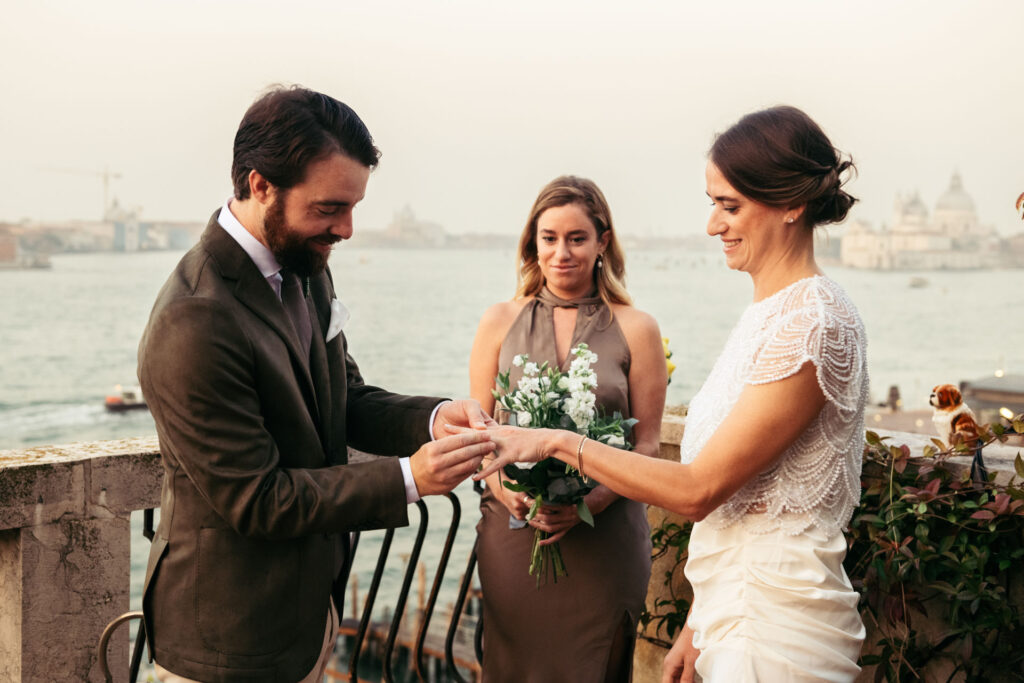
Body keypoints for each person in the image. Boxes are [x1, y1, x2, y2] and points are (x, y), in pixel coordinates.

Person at [470, 107, 868, 682]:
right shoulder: (770, 314)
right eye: (713, 204)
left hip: (775, 621)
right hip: (733, 611)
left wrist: (556, 441)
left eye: (729, 205)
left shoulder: (814, 321)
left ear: (790, 204)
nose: (712, 225)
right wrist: (698, 624)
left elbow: (700, 489)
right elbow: (746, 500)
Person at [137, 85, 496, 683]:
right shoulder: (194, 318)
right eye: (330, 207)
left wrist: (436, 418)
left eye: (353, 207)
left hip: (307, 619)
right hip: (228, 642)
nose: (347, 229)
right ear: (260, 186)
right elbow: (257, 500)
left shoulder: (302, 263)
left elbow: (344, 398)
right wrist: (413, 478)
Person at [468, 175, 667, 682]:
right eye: (549, 238)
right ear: (532, 244)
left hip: (606, 538)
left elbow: (646, 444)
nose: (562, 253)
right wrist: (504, 489)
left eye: (577, 238)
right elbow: (480, 430)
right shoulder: (498, 321)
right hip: (513, 536)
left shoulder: (638, 328)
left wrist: (589, 504)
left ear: (603, 242)